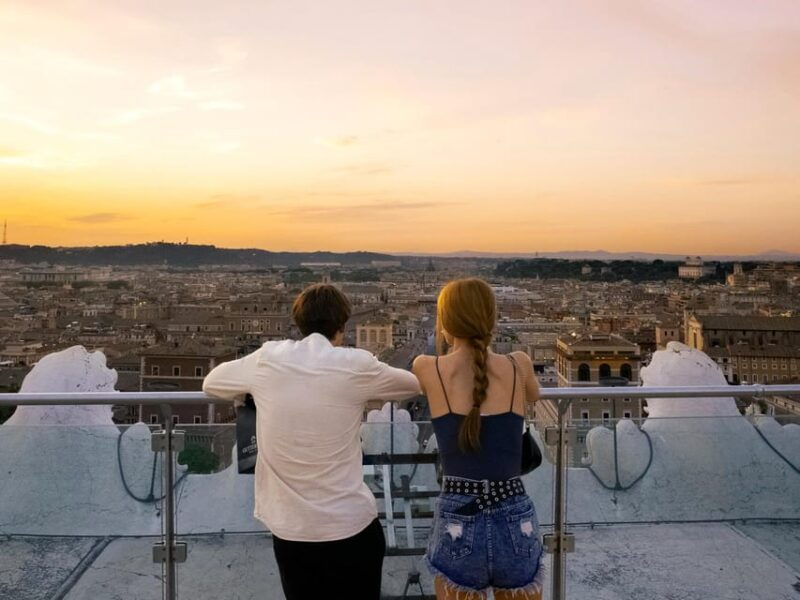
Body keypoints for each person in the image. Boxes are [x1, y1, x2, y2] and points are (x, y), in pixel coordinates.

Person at [203, 284, 420, 600]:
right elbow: (411, 384)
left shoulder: (268, 358)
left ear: (299, 323)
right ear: (341, 328)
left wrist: (253, 391)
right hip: (352, 528)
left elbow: (212, 383)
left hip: (293, 532)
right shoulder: (356, 364)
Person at [412, 278, 544, 600]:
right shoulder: (519, 364)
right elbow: (535, 395)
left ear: (446, 321)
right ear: (491, 318)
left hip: (459, 513)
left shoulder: (427, 367)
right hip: (514, 509)